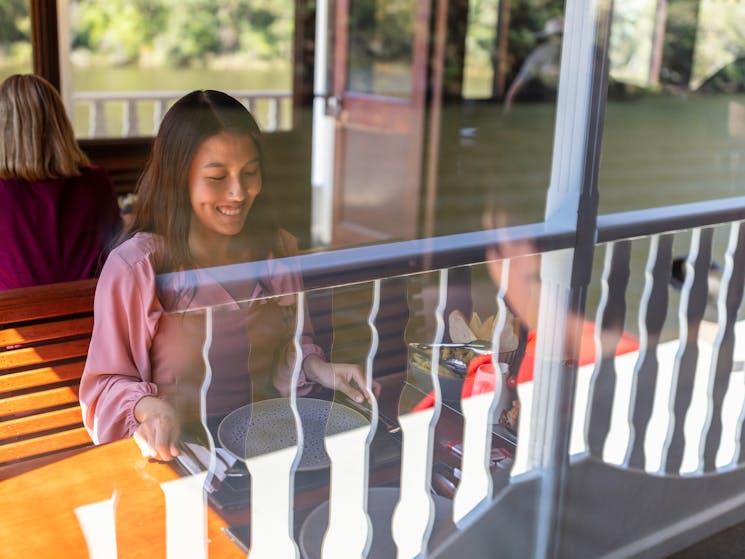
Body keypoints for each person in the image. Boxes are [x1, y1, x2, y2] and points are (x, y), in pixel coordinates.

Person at [80, 90, 375, 462]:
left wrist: (318, 368)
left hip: (268, 451)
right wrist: (147, 409)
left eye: (250, 173)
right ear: (178, 179)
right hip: (180, 457)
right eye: (218, 177)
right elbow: (105, 386)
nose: (238, 193)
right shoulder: (138, 268)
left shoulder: (277, 251)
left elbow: (290, 348)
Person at [0, 74, 120, 289]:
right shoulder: (96, 183)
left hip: (15, 321)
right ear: (60, 124)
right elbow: (117, 250)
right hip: (91, 318)